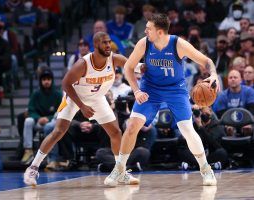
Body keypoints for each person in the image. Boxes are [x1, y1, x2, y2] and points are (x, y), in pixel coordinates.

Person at [104, 13, 219, 187]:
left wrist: (214, 74)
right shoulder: (144, 43)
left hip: (176, 90)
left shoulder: (178, 44)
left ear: (159, 32)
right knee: (132, 125)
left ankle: (205, 169)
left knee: (187, 129)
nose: (145, 31)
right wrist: (136, 91)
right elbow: (128, 68)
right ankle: (119, 169)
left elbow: (206, 61)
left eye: (148, 28)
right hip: (150, 89)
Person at [23, 32, 141, 186]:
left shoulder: (114, 59)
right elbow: (66, 84)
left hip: (97, 98)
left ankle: (120, 171)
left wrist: (144, 67)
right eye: (104, 43)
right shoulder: (83, 63)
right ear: (96, 45)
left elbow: (133, 66)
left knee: (116, 132)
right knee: (58, 132)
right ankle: (32, 168)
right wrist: (82, 106)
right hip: (73, 98)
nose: (108, 45)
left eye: (109, 42)